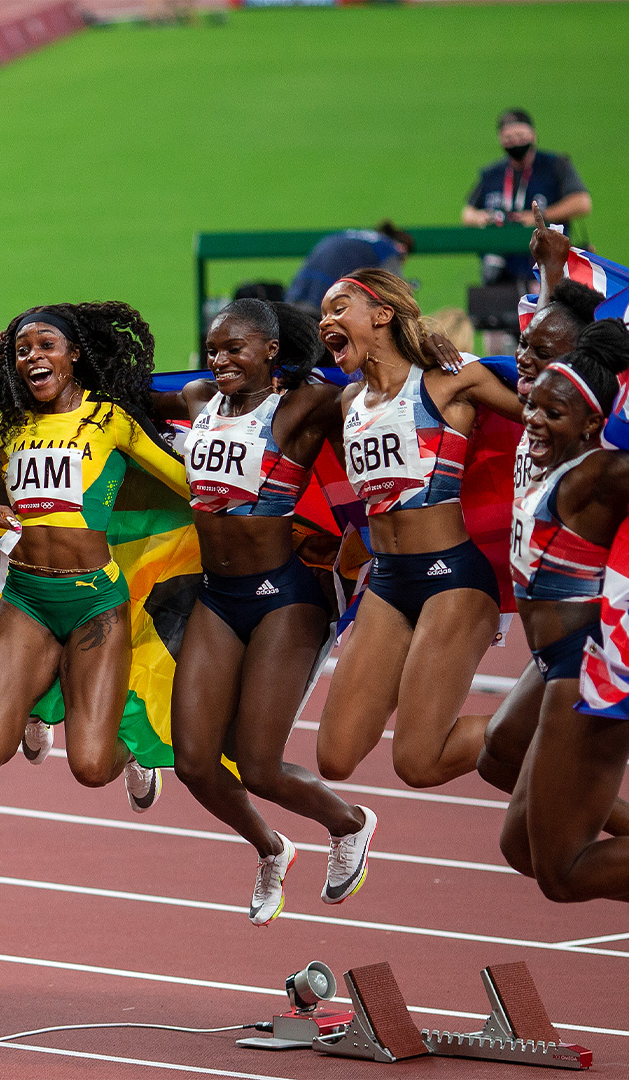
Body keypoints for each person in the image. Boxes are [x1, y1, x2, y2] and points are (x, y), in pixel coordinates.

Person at [0, 304, 185, 813]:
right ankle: (40, 698)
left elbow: (183, 480)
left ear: (73, 355)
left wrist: (259, 489)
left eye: (46, 346)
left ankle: (136, 751)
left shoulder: (109, 420)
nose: (33, 357)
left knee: (92, 768)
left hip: (93, 602)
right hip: (27, 599)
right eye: (22, 351)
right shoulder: (10, 428)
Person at [150, 299, 375, 924]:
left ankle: (350, 823)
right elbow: (127, 400)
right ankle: (270, 847)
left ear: (271, 351)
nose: (220, 360)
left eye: (234, 349)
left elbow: (379, 390)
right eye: (214, 348)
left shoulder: (302, 406)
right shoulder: (198, 400)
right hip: (219, 599)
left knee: (260, 765)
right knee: (193, 762)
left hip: (285, 598)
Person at [314, 269, 524, 790]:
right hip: (388, 581)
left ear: (381, 314)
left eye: (339, 308)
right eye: (322, 314)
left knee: (418, 763)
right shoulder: (346, 404)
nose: (325, 321)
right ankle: (546, 736)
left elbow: (549, 415)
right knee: (334, 758)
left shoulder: (451, 381)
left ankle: (546, 728)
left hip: (453, 577)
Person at [498, 320, 629, 903]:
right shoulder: (546, 457)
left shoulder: (597, 476)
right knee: (521, 848)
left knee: (564, 873)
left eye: (555, 414)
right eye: (535, 408)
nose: (535, 421)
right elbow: (554, 334)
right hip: (553, 659)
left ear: (594, 425)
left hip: (586, 665)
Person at [464, 109, 592, 283]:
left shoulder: (555, 166)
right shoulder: (491, 174)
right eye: (509, 137)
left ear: (533, 135)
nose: (516, 141)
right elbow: (468, 213)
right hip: (502, 269)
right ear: (500, 139)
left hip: (548, 264)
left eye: (520, 135)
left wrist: (539, 217)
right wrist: (482, 217)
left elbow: (582, 202)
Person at [284, 221, 414, 308]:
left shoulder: (347, 235)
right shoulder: (387, 248)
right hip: (326, 302)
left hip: (297, 294)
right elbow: (397, 292)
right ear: (401, 248)